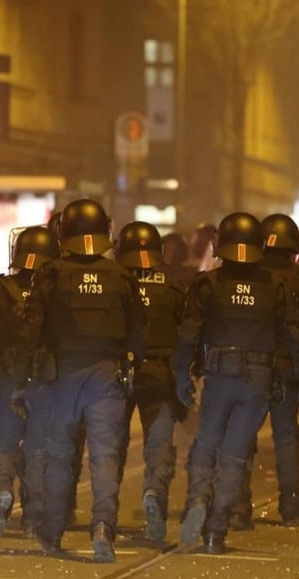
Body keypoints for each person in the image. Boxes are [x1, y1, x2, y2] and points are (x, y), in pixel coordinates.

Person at [174, 212, 299, 554]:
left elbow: (188, 335)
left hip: (220, 374)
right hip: (257, 379)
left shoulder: (209, 284)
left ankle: (197, 501)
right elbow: (295, 337)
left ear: (220, 244)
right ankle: (216, 529)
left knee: (207, 443)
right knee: (235, 454)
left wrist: (181, 375)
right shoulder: (275, 286)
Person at [17, 199, 145, 563]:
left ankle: (53, 531)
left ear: (64, 231)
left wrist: (29, 372)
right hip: (106, 376)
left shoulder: (51, 274)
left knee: (60, 455)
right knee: (105, 456)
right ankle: (103, 526)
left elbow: (32, 329)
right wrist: (131, 362)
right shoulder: (120, 276)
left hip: (62, 376)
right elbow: (138, 330)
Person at [230, 214, 299, 528]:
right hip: (287, 369)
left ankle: (238, 506)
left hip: (250, 369)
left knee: (243, 436)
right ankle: (290, 505)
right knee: (286, 436)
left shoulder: (247, 276)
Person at [0, 226, 59, 538]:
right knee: (37, 451)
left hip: (5, 380)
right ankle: (32, 519)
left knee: (2, 445)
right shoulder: (57, 293)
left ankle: (2, 493)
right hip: (44, 385)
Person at [115, 221, 186, 542]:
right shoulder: (174, 281)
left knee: (110, 445)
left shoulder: (112, 278)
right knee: (159, 443)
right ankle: (154, 493)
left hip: (116, 372)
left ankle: (105, 513)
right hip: (161, 372)